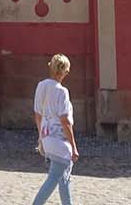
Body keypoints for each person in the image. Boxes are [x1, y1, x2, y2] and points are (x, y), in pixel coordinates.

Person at [32, 53, 79, 205]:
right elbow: (65, 121)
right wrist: (74, 146)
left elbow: (38, 115)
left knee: (63, 178)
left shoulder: (41, 86)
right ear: (65, 71)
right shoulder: (62, 91)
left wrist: (41, 138)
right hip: (60, 141)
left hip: (47, 137)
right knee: (54, 179)